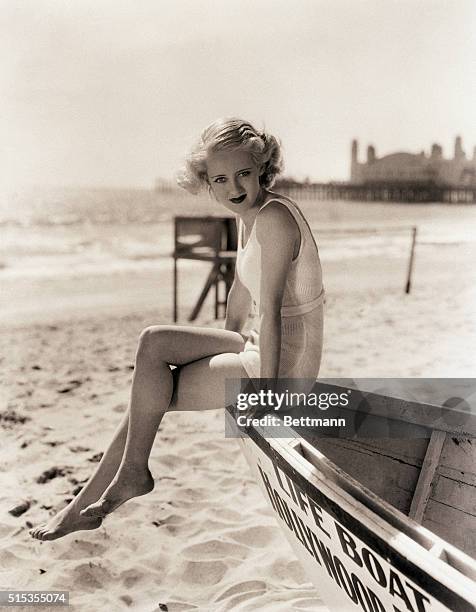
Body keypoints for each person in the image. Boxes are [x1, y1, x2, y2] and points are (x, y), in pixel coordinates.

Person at [30, 118, 324, 541]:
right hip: (262, 344)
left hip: (287, 365)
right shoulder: (251, 213)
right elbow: (241, 292)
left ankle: (104, 492)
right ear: (206, 182)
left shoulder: (274, 220)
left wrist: (268, 397)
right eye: (220, 179)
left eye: (243, 173)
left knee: (152, 397)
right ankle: (122, 478)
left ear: (261, 167)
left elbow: (273, 312)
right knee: (153, 343)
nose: (233, 187)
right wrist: (225, 343)